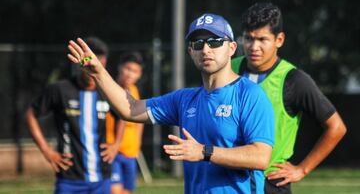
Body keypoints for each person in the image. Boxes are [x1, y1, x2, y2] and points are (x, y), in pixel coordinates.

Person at [67, 13, 275, 194]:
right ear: (190, 52)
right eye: (197, 43)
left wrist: (204, 152)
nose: (205, 49)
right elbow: (130, 109)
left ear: (231, 48)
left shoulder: (250, 94)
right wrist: (98, 73)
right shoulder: (185, 99)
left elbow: (260, 156)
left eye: (214, 41)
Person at [231, 2, 347, 194]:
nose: (253, 47)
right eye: (248, 38)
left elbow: (336, 127)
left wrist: (302, 169)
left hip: (270, 184)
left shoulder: (294, 80)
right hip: (228, 182)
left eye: (262, 39)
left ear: (279, 40)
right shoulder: (229, 69)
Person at [26, 37, 114, 194]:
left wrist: (116, 144)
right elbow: (31, 114)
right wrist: (47, 151)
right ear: (81, 62)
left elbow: (123, 115)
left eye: (99, 63)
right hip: (69, 178)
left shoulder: (109, 91)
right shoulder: (60, 90)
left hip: (102, 177)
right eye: (90, 62)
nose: (93, 68)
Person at [104, 52, 144, 194]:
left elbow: (140, 121)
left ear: (139, 74)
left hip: (130, 152)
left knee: (126, 191)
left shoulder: (134, 91)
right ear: (120, 68)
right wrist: (113, 145)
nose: (130, 74)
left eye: (135, 71)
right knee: (115, 191)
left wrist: (137, 145)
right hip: (112, 151)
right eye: (128, 69)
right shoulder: (109, 89)